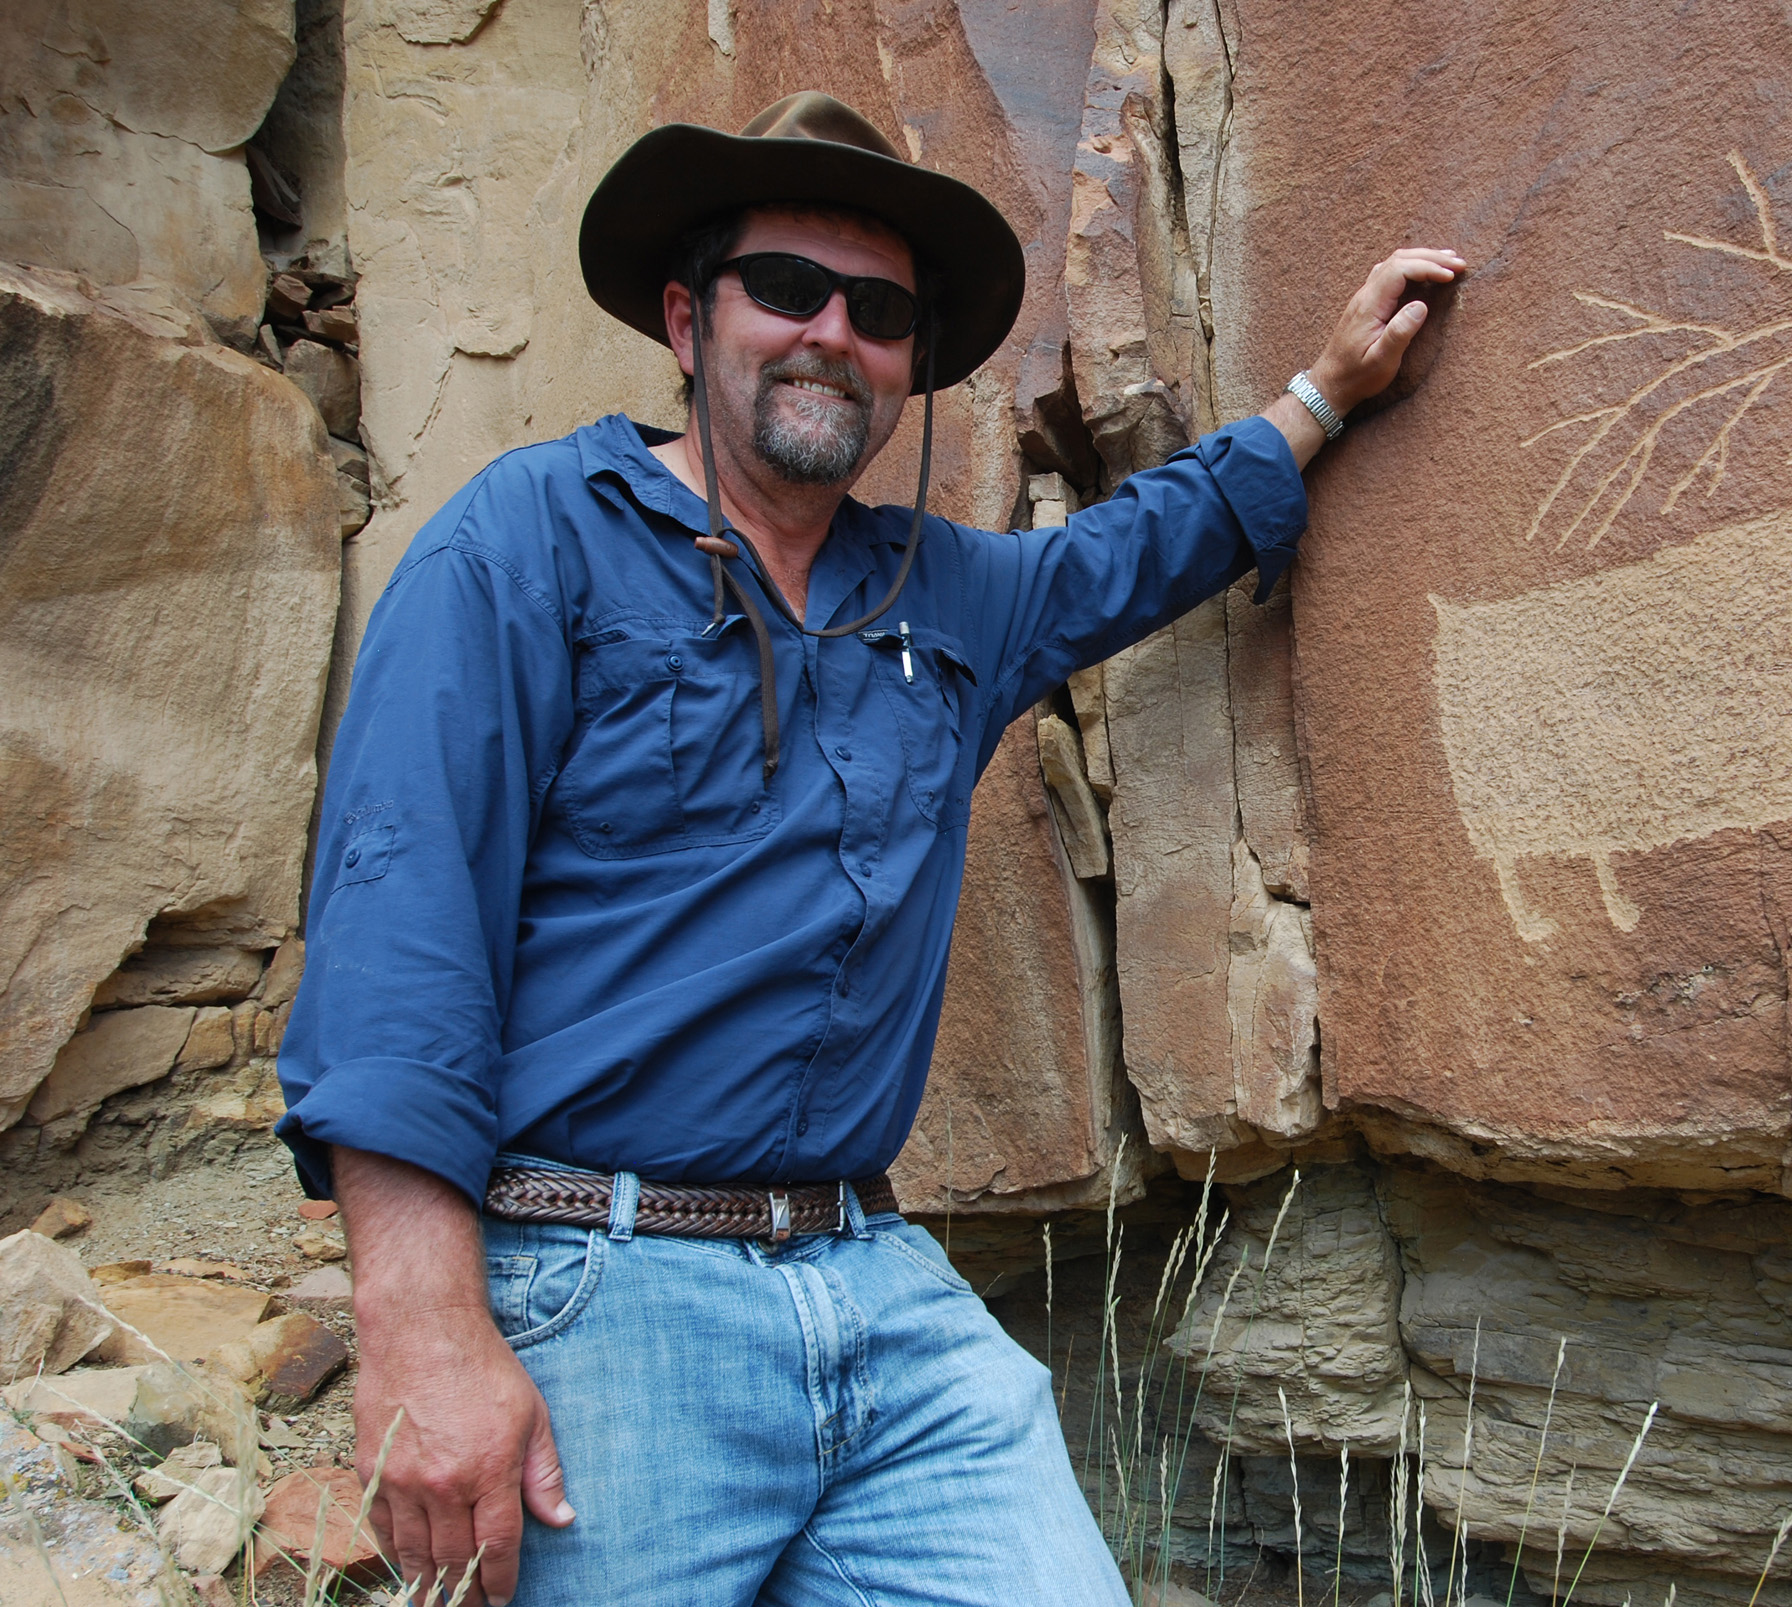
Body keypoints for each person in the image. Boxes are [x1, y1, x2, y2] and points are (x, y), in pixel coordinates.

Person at [277, 91, 1463, 1607]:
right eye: (786, 287)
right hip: (598, 1282)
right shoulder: (529, 542)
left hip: (878, 1289)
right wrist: (422, 1329)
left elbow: (1137, 549)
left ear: (909, 364)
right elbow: (399, 929)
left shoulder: (944, 599)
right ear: (685, 318)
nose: (833, 331)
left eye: (880, 308)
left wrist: (1324, 394)